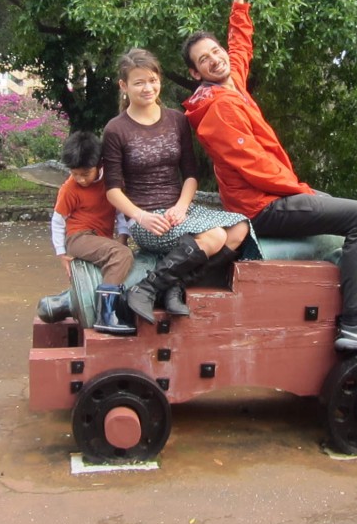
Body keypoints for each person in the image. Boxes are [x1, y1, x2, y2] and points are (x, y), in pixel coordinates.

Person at [181, 0, 357, 351]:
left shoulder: (230, 85)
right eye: (205, 60)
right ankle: (355, 323)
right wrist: (302, 190)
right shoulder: (217, 108)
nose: (216, 59)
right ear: (196, 73)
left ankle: (355, 317)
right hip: (261, 205)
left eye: (215, 51)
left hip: (274, 194)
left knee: (348, 212)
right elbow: (254, 168)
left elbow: (240, 47)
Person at [102, 47, 252, 325]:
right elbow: (112, 189)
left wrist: (182, 207)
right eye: (139, 82)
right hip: (146, 219)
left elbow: (191, 174)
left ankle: (172, 285)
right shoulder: (115, 129)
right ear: (124, 86)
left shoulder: (177, 120)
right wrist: (141, 216)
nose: (148, 88)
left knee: (241, 226)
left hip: (180, 210)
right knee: (215, 236)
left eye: (153, 80)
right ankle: (146, 288)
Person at [43, 131, 136, 334]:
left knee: (122, 253)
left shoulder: (111, 183)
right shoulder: (69, 188)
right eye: (75, 173)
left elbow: (120, 213)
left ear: (100, 165)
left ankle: (110, 304)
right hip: (78, 237)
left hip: (100, 237)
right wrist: (61, 254)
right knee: (121, 255)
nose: (80, 179)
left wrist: (122, 238)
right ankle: (106, 313)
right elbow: (58, 221)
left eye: (85, 174)